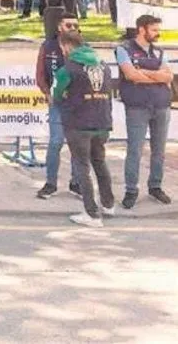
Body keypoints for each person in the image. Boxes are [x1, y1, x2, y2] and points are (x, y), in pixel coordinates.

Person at [53, 30, 116, 228]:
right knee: (99, 162)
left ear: (66, 46)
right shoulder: (104, 66)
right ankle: (108, 204)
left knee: (82, 167)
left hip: (78, 123)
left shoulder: (68, 69)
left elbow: (57, 94)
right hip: (102, 121)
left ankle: (92, 213)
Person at [116, 14, 173, 209]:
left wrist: (145, 73)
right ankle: (131, 190)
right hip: (137, 107)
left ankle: (155, 186)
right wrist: (156, 76)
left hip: (162, 106)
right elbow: (131, 75)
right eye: (154, 30)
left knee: (159, 151)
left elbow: (169, 77)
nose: (158, 33)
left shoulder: (159, 51)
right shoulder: (124, 49)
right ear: (142, 29)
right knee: (135, 150)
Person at [35, 12, 80, 199]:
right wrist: (47, 93)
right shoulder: (48, 46)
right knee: (55, 142)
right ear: (59, 27)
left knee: (77, 144)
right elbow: (40, 73)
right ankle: (51, 183)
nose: (73, 29)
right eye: (68, 25)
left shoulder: (83, 47)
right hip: (57, 103)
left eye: (75, 26)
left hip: (78, 104)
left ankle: (76, 182)